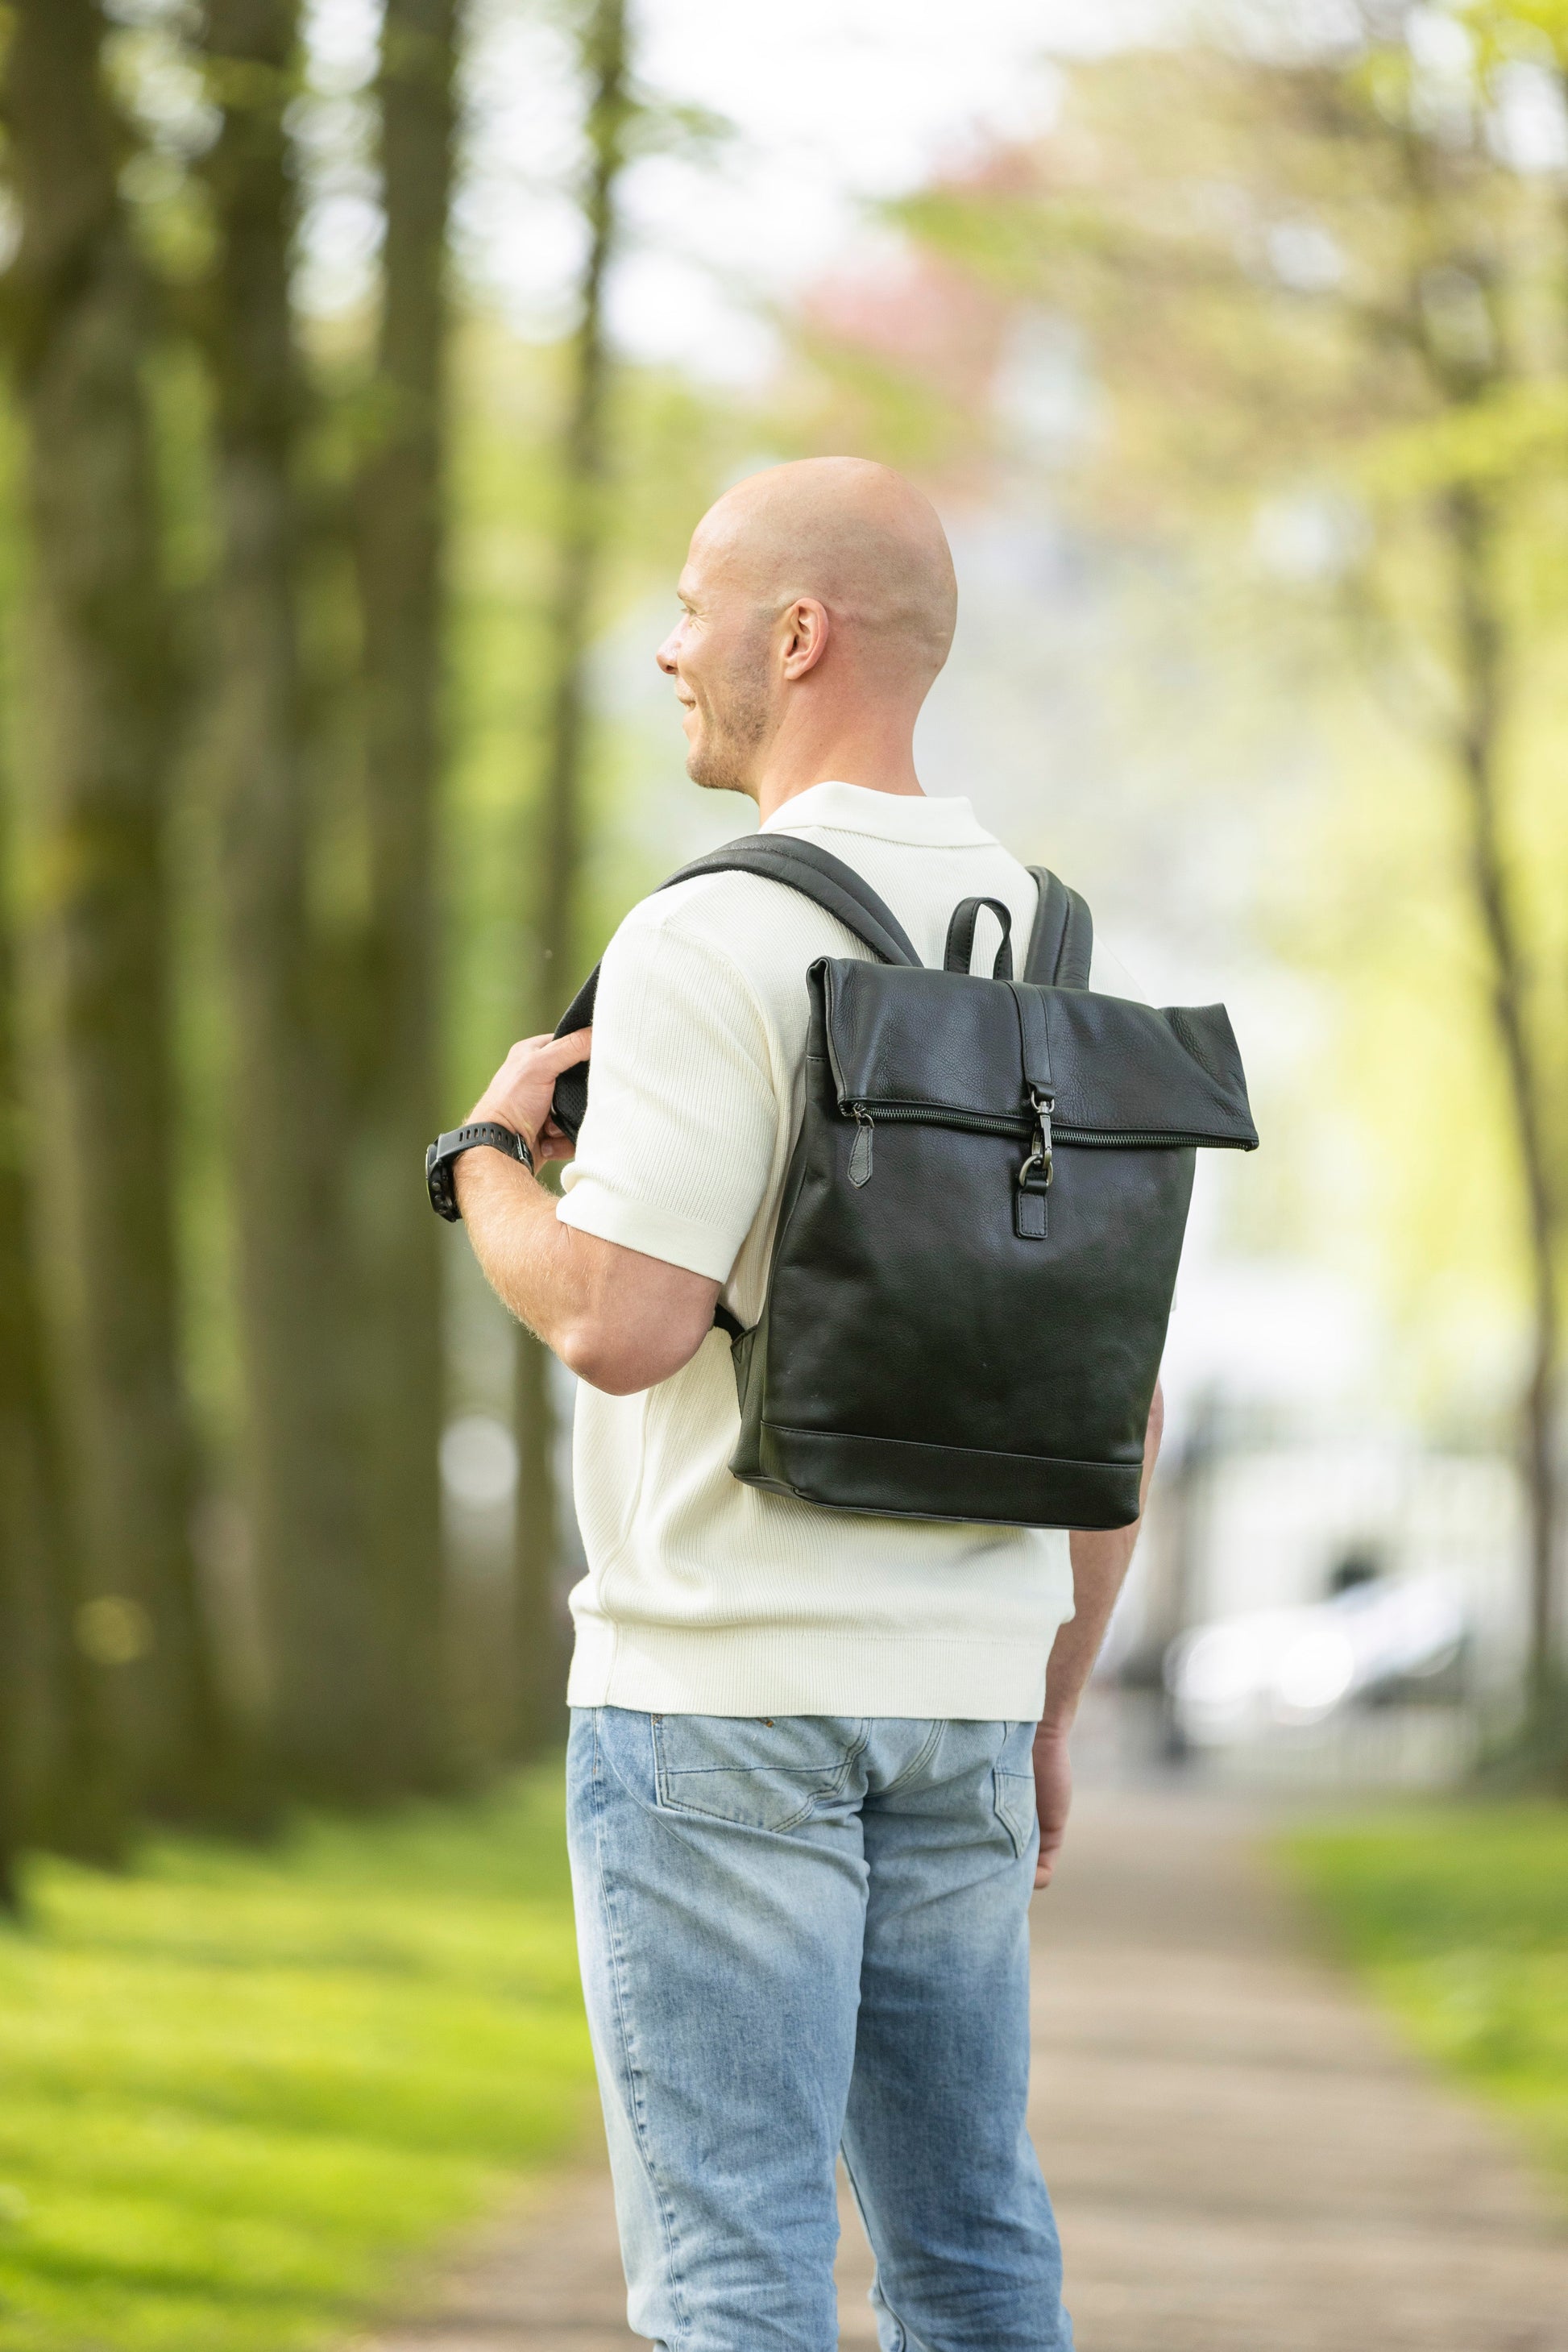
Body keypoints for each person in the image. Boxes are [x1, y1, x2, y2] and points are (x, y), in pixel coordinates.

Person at [452, 457, 1163, 2352]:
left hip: (720, 1706)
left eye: (694, 601)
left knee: (733, 2275)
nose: (666, 644)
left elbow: (622, 1322)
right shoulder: (1055, 942)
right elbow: (1106, 1382)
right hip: (961, 1699)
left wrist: (486, 1164)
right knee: (972, 2246)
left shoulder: (707, 938)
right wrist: (1055, 1699)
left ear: (797, 632)